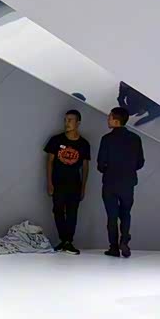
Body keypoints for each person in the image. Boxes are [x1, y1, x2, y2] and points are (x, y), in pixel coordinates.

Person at [97, 107, 145, 258]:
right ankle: (124, 240)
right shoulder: (135, 138)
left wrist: (107, 169)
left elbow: (100, 164)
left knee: (112, 216)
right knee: (125, 213)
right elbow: (140, 162)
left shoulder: (106, 139)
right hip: (128, 182)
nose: (108, 119)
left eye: (110, 117)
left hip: (110, 182)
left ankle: (113, 247)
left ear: (116, 120)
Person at [44, 109, 90, 255]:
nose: (67, 123)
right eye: (65, 120)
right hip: (58, 182)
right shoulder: (56, 140)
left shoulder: (84, 144)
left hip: (74, 184)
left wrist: (83, 187)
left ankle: (68, 241)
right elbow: (49, 162)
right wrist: (49, 183)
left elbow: (85, 167)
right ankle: (64, 240)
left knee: (72, 212)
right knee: (58, 210)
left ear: (78, 123)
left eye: (70, 120)